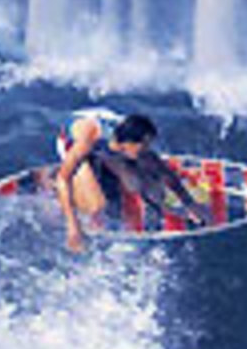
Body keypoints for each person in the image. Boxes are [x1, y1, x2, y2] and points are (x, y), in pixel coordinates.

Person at [45, 108, 209, 253]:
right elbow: (63, 178)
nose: (147, 148)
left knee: (139, 182)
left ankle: (100, 169)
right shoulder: (87, 139)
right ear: (129, 144)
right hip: (71, 143)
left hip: (107, 147)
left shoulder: (129, 140)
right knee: (97, 204)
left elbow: (165, 173)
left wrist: (190, 204)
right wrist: (73, 226)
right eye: (144, 145)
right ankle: (53, 188)